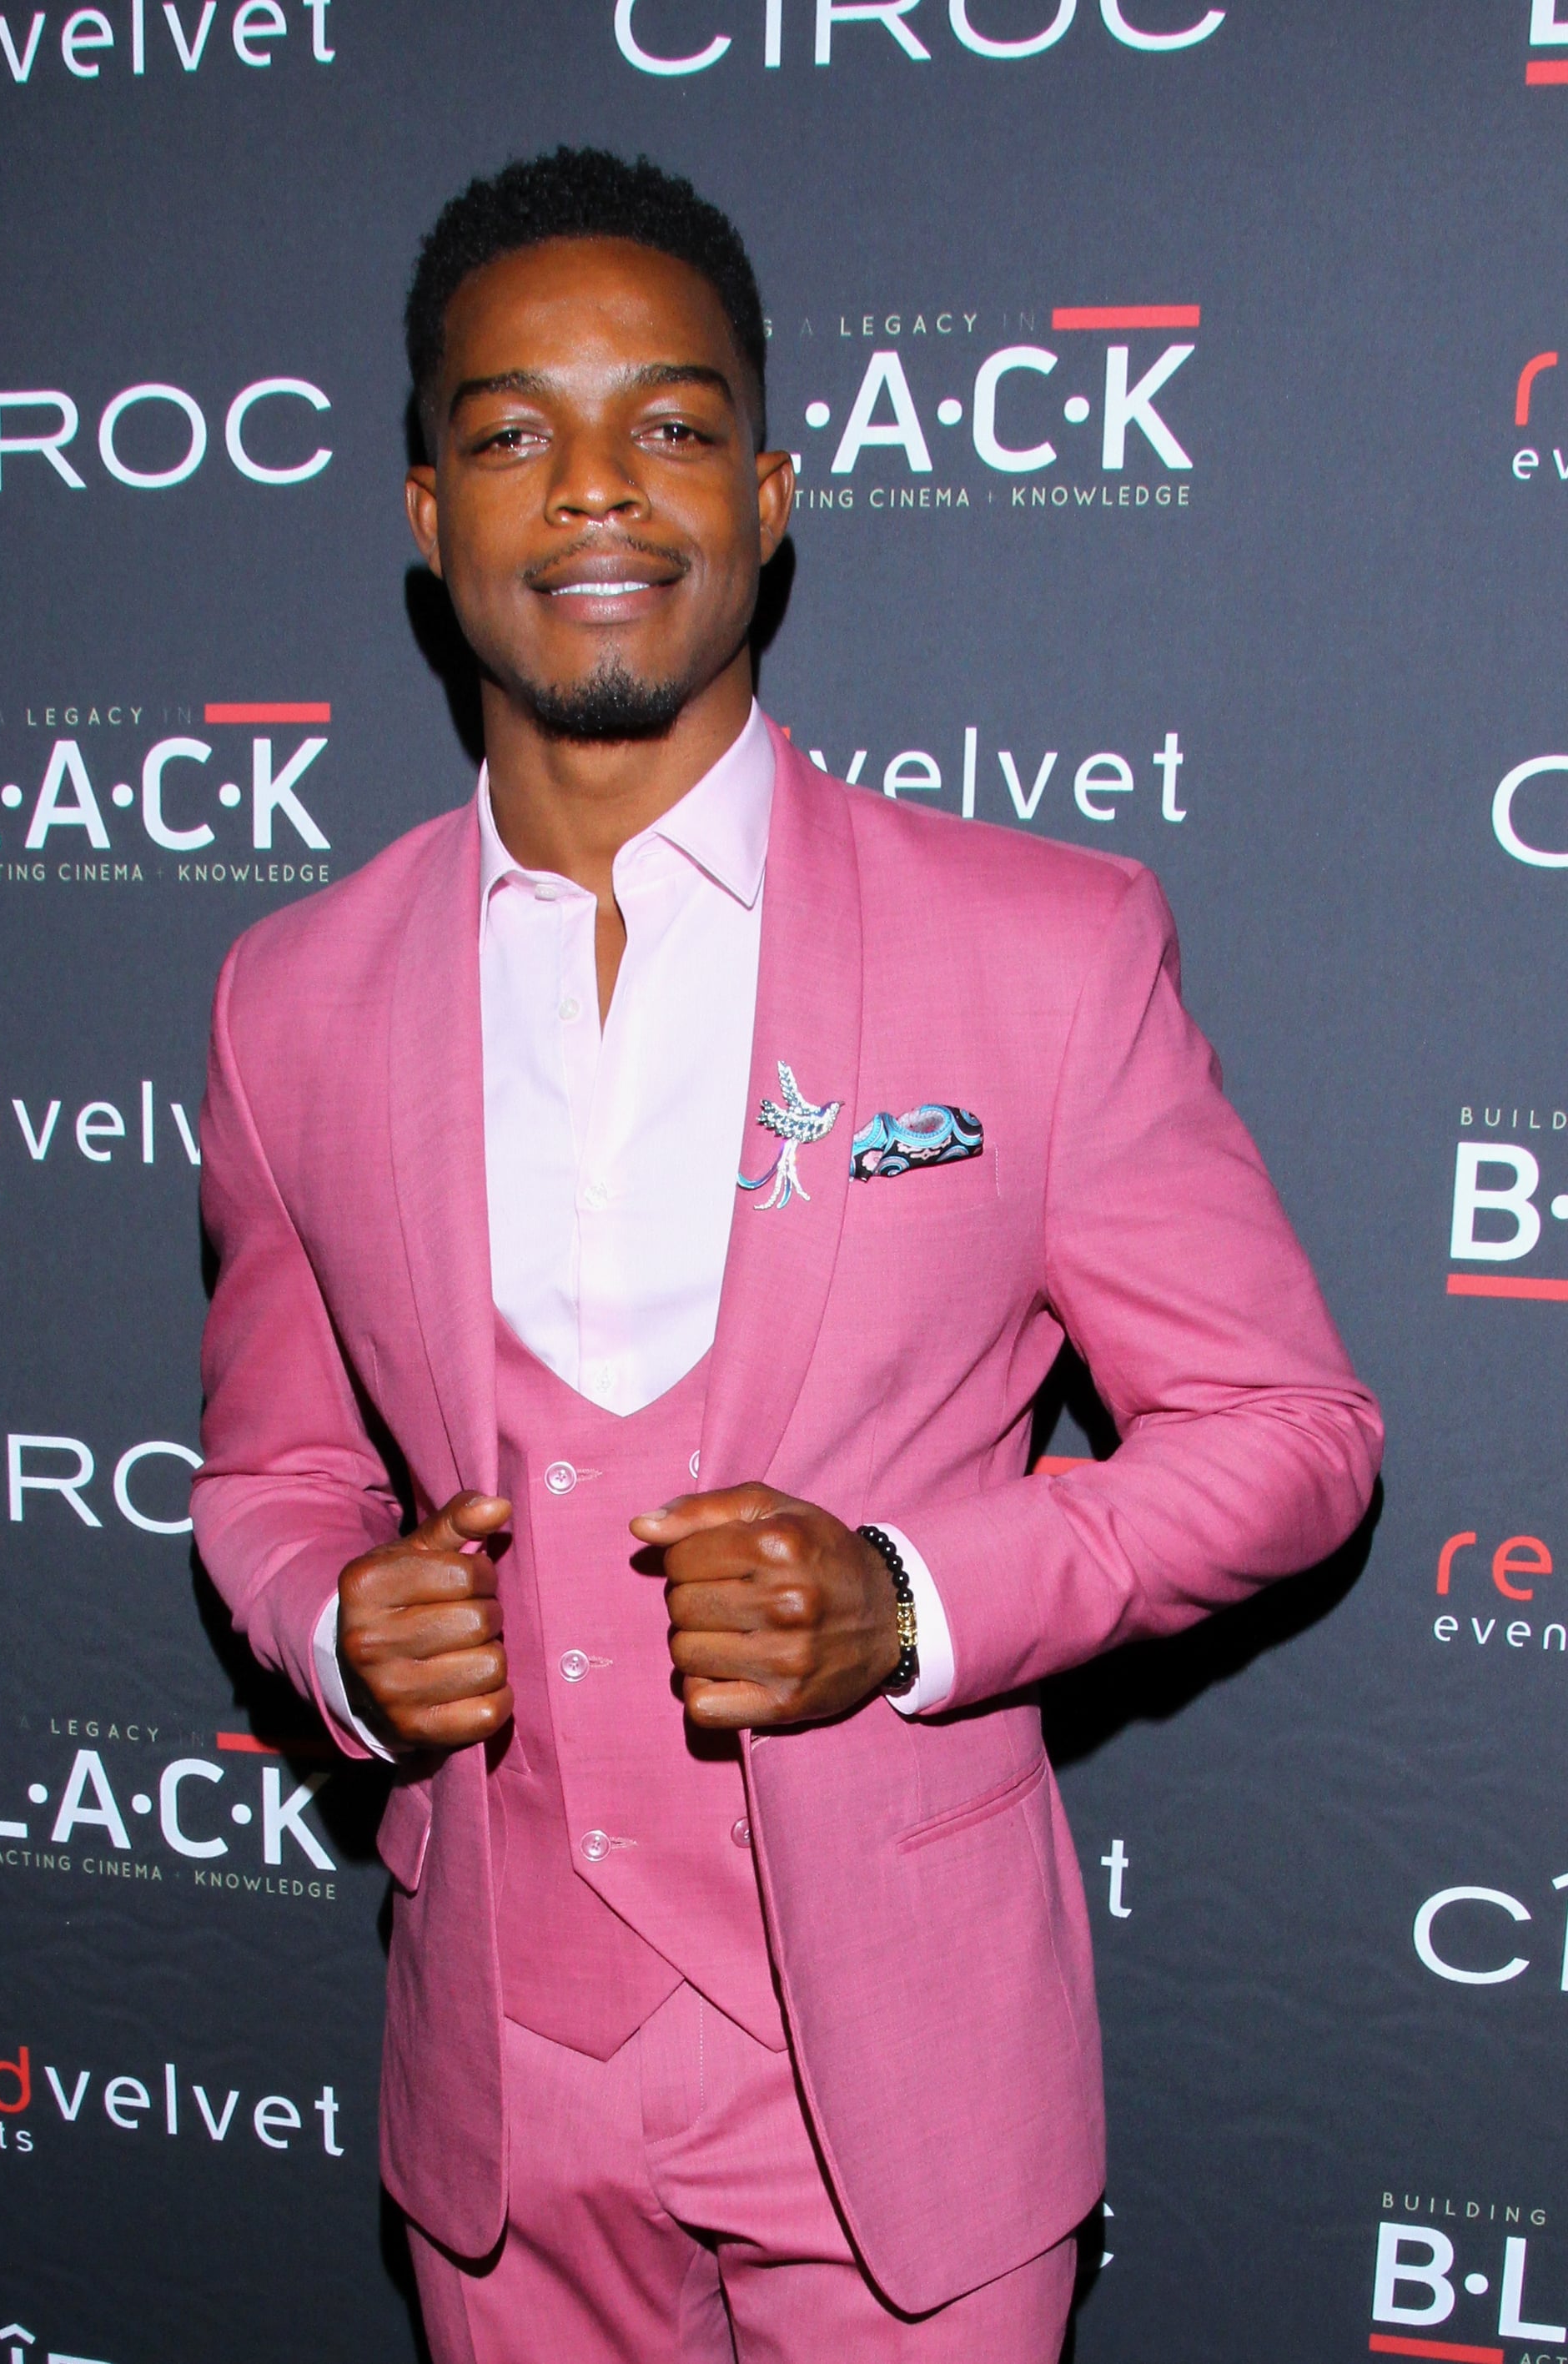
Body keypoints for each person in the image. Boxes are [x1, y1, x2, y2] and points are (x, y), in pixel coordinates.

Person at [192, 146, 1382, 2364]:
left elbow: (1295, 1434)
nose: (595, 491)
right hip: (502, 2088)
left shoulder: (1042, 946)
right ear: (426, 515)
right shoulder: (292, 999)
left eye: (668, 418)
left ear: (770, 486)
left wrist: (915, 1597)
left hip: (900, 2093)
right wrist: (340, 1628)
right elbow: (263, 1479)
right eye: (511, 432)